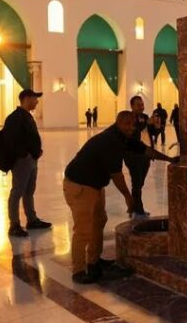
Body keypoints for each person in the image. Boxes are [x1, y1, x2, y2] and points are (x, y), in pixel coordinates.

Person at [63, 110, 177, 284]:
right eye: (127, 124)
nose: (131, 128)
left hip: (94, 186)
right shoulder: (110, 141)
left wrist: (169, 159)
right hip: (80, 185)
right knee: (84, 229)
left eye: (133, 124)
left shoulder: (123, 136)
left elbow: (144, 150)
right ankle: (78, 270)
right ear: (119, 123)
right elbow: (117, 175)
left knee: (99, 221)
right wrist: (128, 197)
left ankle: (94, 260)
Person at [3, 89, 52, 237]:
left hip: (31, 160)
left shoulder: (26, 116)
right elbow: (11, 141)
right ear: (26, 98)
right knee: (17, 192)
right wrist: (25, 155)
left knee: (29, 191)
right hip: (22, 162)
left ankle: (31, 219)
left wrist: (36, 152)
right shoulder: (15, 118)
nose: (37, 101)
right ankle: (14, 225)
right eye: (34, 98)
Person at [124, 96, 153, 219]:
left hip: (145, 154)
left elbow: (151, 132)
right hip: (133, 155)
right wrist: (146, 123)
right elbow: (133, 132)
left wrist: (155, 126)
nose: (141, 107)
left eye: (142, 104)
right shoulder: (128, 118)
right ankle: (138, 210)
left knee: (140, 183)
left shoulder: (144, 117)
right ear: (132, 106)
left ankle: (133, 208)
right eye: (138, 105)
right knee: (136, 182)